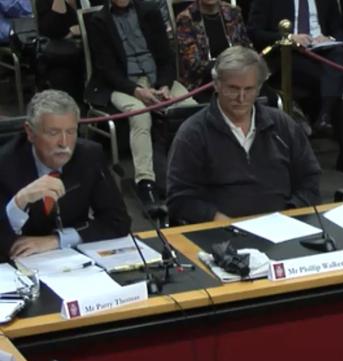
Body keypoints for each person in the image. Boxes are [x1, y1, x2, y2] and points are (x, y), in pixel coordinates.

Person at [167, 46, 321, 224]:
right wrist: (219, 220)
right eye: (233, 89)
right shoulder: (193, 133)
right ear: (216, 85)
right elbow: (179, 199)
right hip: (221, 234)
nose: (241, 98)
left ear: (260, 87)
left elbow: (310, 179)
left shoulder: (282, 125)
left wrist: (290, 215)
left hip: (284, 228)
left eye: (249, 89)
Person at [86, 0, 197, 215]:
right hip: (122, 85)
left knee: (189, 109)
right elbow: (107, 69)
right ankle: (146, 183)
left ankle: (193, 175)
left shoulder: (150, 12)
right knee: (140, 116)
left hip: (158, 80)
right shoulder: (98, 21)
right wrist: (137, 91)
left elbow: (166, 56)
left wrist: (164, 85)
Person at [0, 90, 131, 260]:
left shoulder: (89, 156)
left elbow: (117, 221)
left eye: (70, 132)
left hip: (73, 264)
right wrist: (18, 203)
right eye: (53, 133)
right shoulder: (5, 164)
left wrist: (57, 239)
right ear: (30, 132)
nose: (64, 143)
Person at [248, 0, 343, 137]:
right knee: (334, 80)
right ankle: (324, 120)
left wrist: (329, 38)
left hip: (321, 49)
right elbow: (255, 32)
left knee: (340, 55)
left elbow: (338, 28)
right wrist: (289, 37)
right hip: (287, 53)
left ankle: (324, 115)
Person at [176, 0, 251, 98]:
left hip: (239, 77)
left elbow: (246, 48)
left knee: (267, 98)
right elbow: (194, 64)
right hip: (204, 83)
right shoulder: (185, 18)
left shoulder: (233, 12)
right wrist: (230, 66)